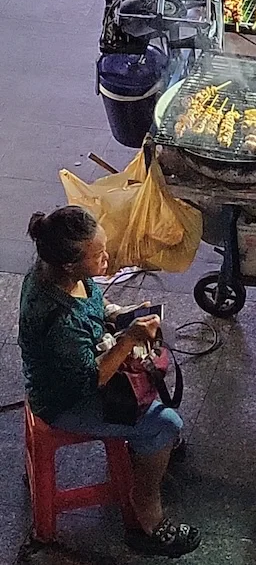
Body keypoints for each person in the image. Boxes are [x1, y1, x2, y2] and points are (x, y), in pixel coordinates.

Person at [18, 206, 201, 557]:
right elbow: (92, 380)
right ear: (70, 264)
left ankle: (147, 449)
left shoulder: (57, 271)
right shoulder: (60, 319)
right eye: (98, 254)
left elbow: (95, 306)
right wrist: (128, 339)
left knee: (150, 393)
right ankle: (147, 519)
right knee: (166, 423)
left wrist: (121, 316)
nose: (107, 257)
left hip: (78, 367)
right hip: (64, 401)